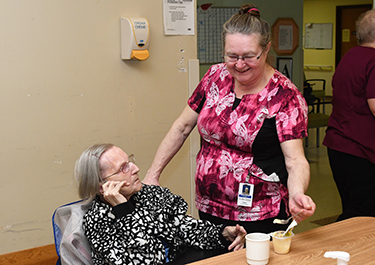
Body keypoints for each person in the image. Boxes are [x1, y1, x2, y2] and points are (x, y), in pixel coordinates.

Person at [144, 4, 316, 235]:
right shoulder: (214, 77)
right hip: (209, 205)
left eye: (248, 57)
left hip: (260, 212)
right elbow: (182, 127)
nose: (239, 64)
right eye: (231, 56)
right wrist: (152, 175)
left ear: (266, 50)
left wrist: (297, 194)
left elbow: (295, 161)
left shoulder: (285, 97)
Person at [75, 144, 246, 265]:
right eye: (123, 168)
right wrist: (123, 211)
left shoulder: (149, 194)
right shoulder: (97, 221)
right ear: (101, 186)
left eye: (130, 161)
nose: (136, 168)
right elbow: (144, 261)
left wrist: (223, 233)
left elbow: (186, 228)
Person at [323, 10, 375, 221]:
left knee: (352, 210)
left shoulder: (350, 56)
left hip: (338, 146)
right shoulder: (373, 60)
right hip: (360, 150)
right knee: (364, 216)